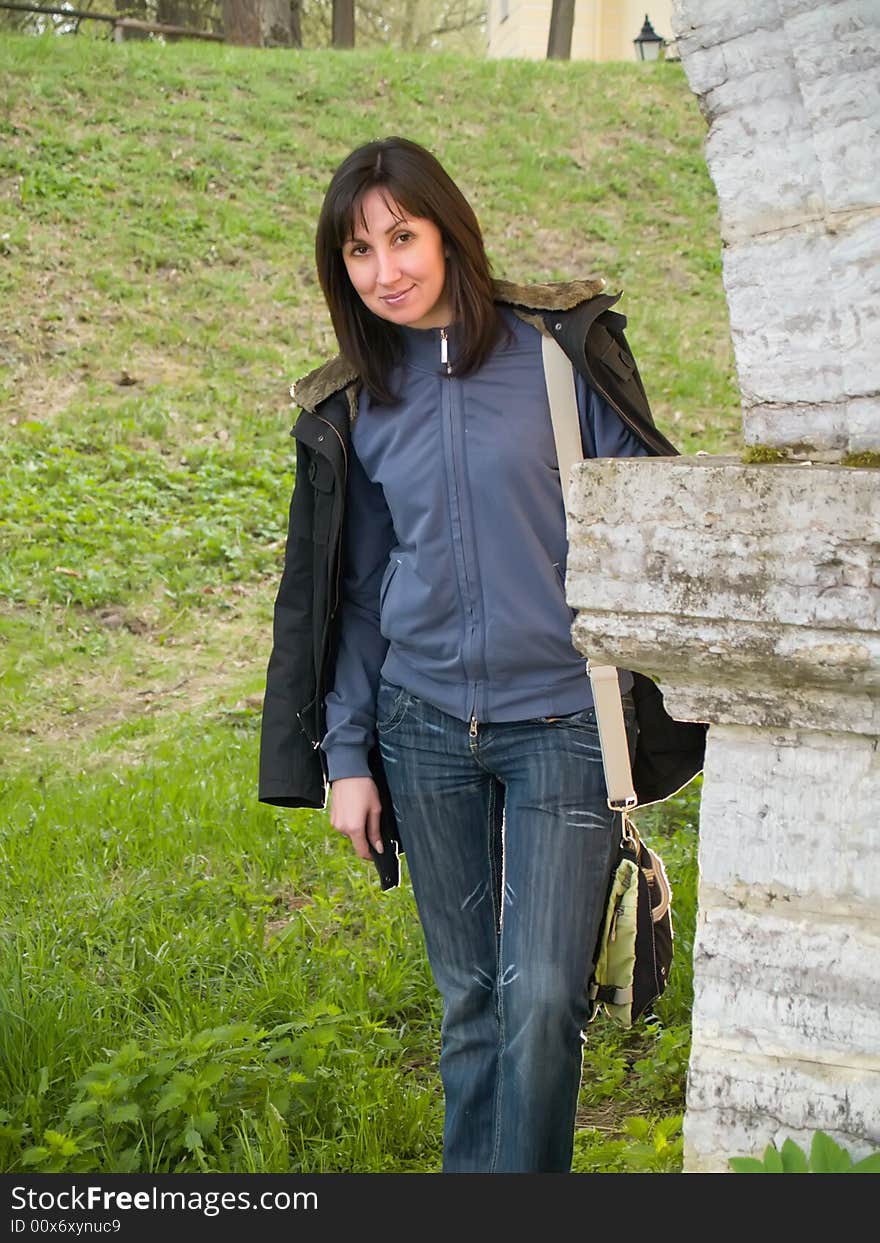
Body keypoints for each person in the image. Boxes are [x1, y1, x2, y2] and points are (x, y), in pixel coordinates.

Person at [258, 136, 681, 1174]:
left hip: (561, 722)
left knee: (541, 994)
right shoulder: (356, 402)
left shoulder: (556, 353)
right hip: (421, 725)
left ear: (449, 231)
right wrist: (346, 757)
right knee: (472, 1004)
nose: (386, 270)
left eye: (403, 237)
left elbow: (647, 522)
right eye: (359, 253)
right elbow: (351, 597)